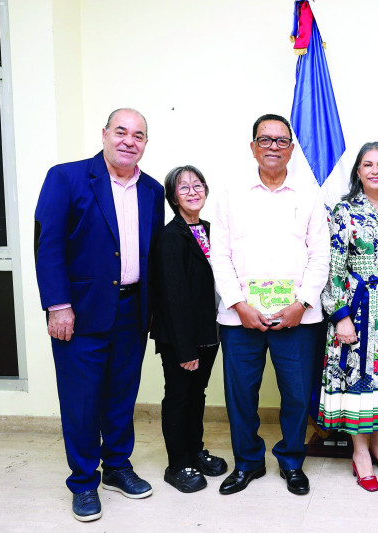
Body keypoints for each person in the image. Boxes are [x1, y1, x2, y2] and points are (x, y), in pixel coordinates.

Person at [34, 108, 164, 522]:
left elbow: (153, 255)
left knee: (121, 396)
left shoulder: (153, 190)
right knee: (82, 401)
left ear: (146, 143)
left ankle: (117, 468)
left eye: (138, 135)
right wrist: (58, 306)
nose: (129, 140)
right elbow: (48, 244)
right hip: (79, 312)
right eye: (121, 132)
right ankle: (84, 482)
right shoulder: (67, 177)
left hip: (132, 310)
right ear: (104, 134)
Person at [210, 113, 329, 496]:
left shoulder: (310, 194)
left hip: (297, 317)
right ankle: (247, 463)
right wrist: (238, 304)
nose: (273, 147)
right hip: (240, 317)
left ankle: (292, 461)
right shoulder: (232, 193)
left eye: (281, 141)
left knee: (296, 394)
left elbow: (320, 256)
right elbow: (220, 254)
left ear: (292, 149)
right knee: (241, 395)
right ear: (253, 147)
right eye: (265, 140)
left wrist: (303, 303)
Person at [318, 142, 378, 492]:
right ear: (358, 171)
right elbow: (333, 268)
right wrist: (340, 316)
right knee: (359, 378)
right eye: (367, 164)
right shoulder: (344, 211)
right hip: (357, 309)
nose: (375, 170)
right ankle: (360, 453)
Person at [150, 165, 228, 493]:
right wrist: (185, 348)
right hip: (182, 336)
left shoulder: (212, 230)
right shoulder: (170, 236)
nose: (193, 191)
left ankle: (195, 451)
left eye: (198, 185)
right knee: (179, 395)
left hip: (209, 330)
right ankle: (177, 462)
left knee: (197, 393)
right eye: (184, 188)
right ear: (173, 197)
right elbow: (173, 296)